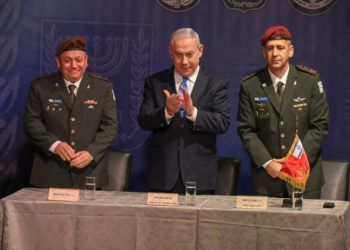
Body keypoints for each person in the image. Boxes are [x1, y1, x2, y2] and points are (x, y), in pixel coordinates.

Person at [237, 25, 329, 199]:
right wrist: (268, 162)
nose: (275, 53)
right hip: (267, 178)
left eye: (280, 47)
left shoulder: (309, 81)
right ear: (264, 52)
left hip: (305, 177)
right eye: (270, 48)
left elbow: (320, 126)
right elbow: (246, 130)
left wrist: (295, 162)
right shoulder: (251, 85)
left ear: (291, 50)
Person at [138, 27, 230, 194]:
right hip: (163, 175)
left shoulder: (217, 83)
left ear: (200, 51)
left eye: (189, 54)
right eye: (179, 54)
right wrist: (167, 112)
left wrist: (192, 113)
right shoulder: (155, 82)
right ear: (170, 52)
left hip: (200, 176)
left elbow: (222, 122)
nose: (184, 61)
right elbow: (144, 120)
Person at [23, 37, 118, 189]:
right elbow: (31, 122)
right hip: (50, 172)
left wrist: (90, 153)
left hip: (89, 172)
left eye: (78, 60)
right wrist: (54, 144)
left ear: (86, 61)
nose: (74, 65)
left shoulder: (103, 87)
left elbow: (110, 126)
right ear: (58, 62)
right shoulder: (40, 86)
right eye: (67, 60)